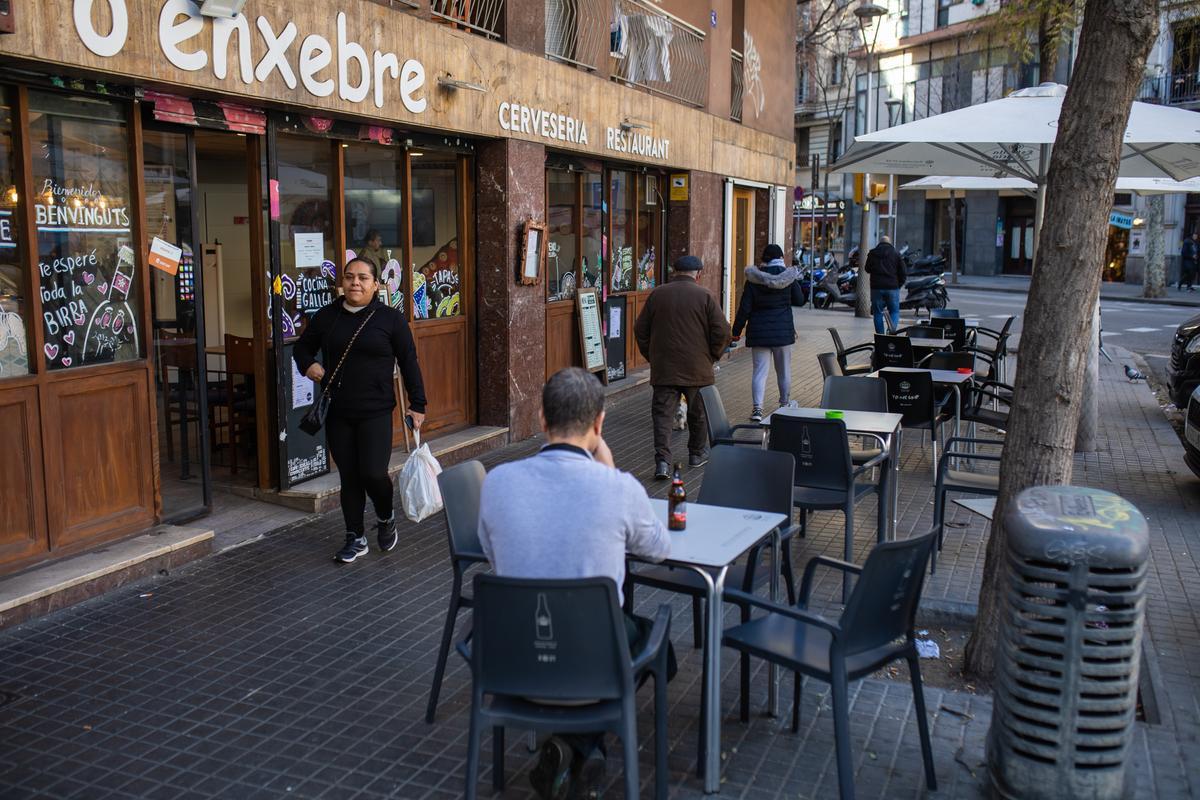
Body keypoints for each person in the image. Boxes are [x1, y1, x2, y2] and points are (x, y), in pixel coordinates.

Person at [478, 367, 674, 800]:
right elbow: (659, 550)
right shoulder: (619, 488)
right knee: (662, 646)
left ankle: (573, 747)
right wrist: (608, 466)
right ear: (599, 423)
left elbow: (492, 556)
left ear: (542, 421)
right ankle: (579, 742)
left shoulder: (498, 483)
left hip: (510, 657)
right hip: (593, 660)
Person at [293, 258, 427, 564]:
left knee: (373, 473)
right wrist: (308, 365)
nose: (355, 282)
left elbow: (409, 362)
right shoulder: (327, 317)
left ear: (375, 284)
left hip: (376, 410)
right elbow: (302, 348)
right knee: (350, 477)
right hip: (338, 411)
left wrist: (418, 404)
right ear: (342, 282)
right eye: (350, 277)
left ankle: (385, 515)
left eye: (363, 278)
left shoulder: (390, 319)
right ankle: (355, 537)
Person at [634, 254, 732, 480]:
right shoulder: (705, 295)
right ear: (699, 274)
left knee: (662, 416)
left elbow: (640, 329)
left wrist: (653, 356)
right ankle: (696, 454)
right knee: (698, 414)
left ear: (674, 272)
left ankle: (662, 463)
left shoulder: (657, 294)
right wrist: (712, 356)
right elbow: (723, 332)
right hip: (698, 369)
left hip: (664, 368)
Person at [731, 243, 804, 422]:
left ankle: (757, 409)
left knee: (759, 372)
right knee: (784, 371)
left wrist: (736, 331)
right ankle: (784, 404)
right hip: (782, 332)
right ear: (781, 257)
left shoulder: (754, 280)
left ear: (764, 258)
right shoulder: (788, 277)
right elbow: (800, 300)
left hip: (759, 333)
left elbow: (744, 308)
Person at [865, 234, 906, 334]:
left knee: (877, 313)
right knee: (894, 311)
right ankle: (890, 333)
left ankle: (880, 336)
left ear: (879, 242)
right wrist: (899, 284)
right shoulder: (896, 253)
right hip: (892, 287)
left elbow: (867, 269)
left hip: (876, 288)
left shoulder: (872, 253)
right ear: (890, 243)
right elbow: (903, 272)